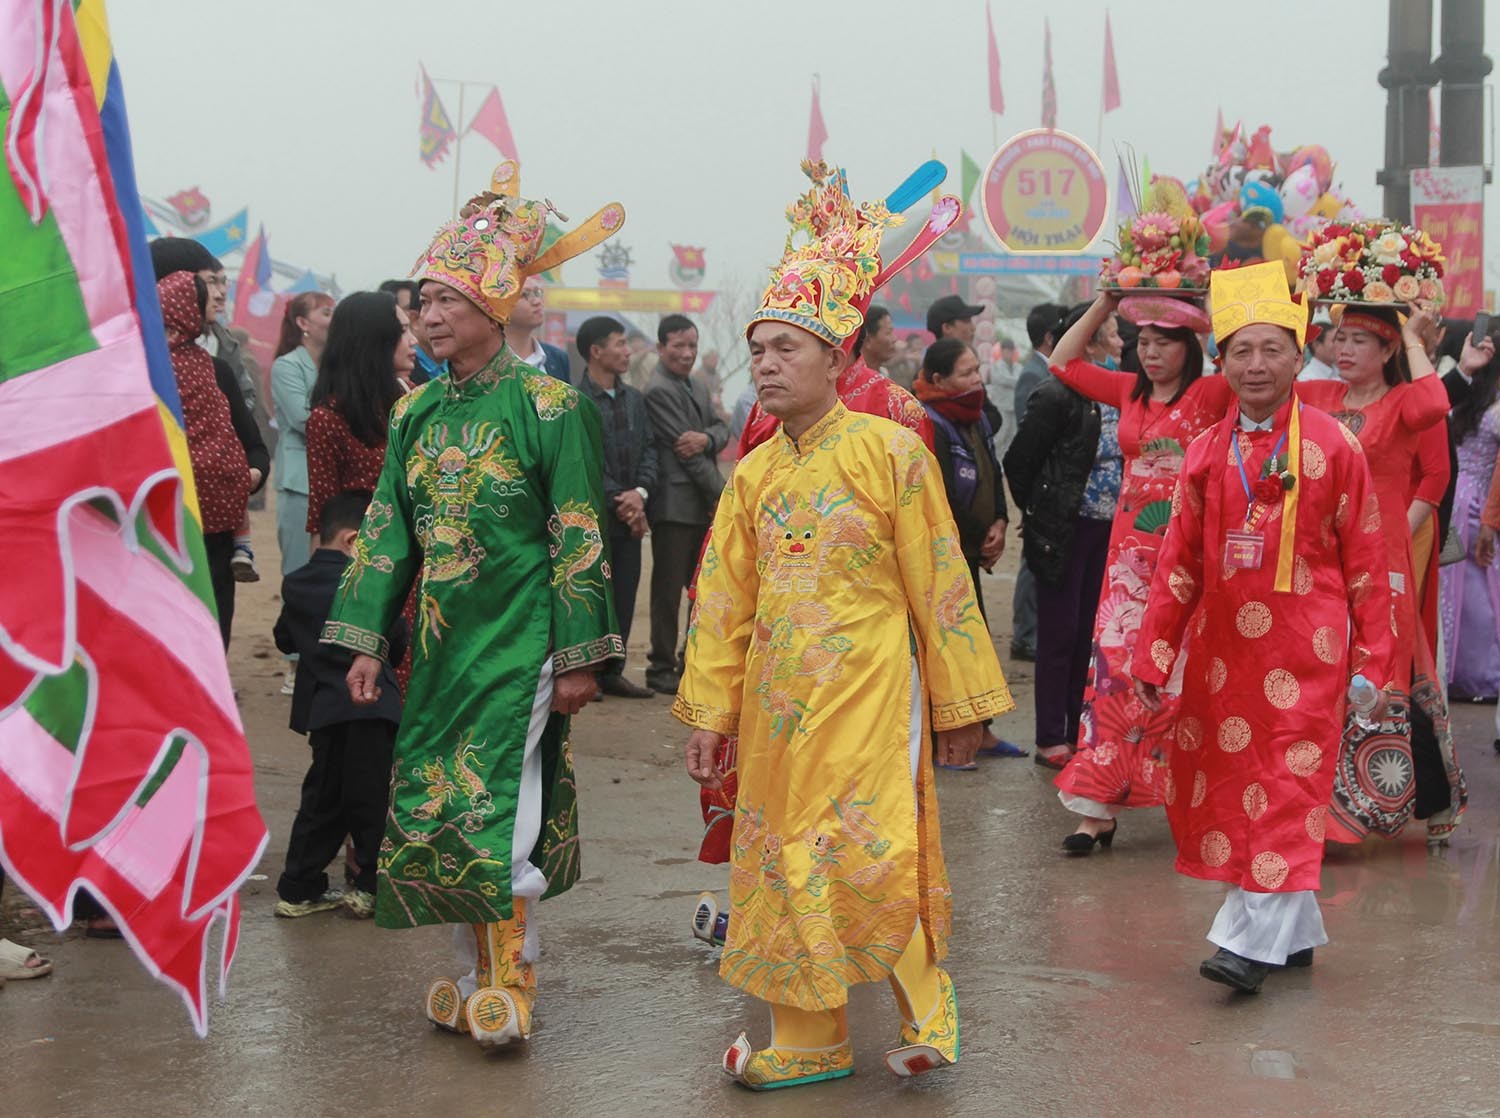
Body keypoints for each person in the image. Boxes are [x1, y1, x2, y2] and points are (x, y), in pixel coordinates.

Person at [678, 159, 1011, 1089]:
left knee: (861, 843)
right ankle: (813, 1038)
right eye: (760, 351)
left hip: (869, 687)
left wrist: (961, 706)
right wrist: (710, 713)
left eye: (789, 347)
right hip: (779, 706)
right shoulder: (753, 475)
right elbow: (723, 610)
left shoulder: (891, 451)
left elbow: (940, 584)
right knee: (782, 858)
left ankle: (923, 992)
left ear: (838, 356)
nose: (770, 365)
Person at [323, 161, 624, 1048]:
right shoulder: (415, 414)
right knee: (439, 796)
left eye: (445, 299)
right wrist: (372, 637)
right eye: (420, 302)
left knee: (499, 790)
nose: (427, 315)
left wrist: (579, 657)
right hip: (445, 646)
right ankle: (474, 969)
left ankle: (511, 973)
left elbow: (577, 531)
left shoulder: (551, 405)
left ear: (494, 305)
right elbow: (387, 532)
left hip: (524, 637)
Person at [1129, 260, 1395, 994]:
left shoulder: (1335, 448)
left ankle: (1247, 944)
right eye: (1240, 350)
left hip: (1308, 652)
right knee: (1234, 784)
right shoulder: (1207, 453)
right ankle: (1296, 927)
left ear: (1299, 350)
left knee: (1283, 782)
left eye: (1271, 348)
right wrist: (1154, 657)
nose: (1255, 365)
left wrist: (1376, 662)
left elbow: (1369, 561)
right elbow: (1177, 563)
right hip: (1222, 658)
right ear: (1220, 360)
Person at [1045, 294, 1233, 851]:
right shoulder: (1128, 390)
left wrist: (1208, 302)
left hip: (1191, 556)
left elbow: (1260, 361)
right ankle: (1096, 807)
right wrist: (1105, 302)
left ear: (1190, 347)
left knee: (1188, 678)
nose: (1149, 354)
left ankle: (1196, 801)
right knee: (1114, 674)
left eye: (1162, 343)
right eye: (1141, 343)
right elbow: (1062, 362)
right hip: (1127, 563)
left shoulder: (1213, 392)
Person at [1300, 303, 1466, 845]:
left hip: (1383, 562)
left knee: (1387, 676)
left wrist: (1415, 335)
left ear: (1388, 351)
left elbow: (1435, 406)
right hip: (1326, 559)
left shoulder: (1402, 405)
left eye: (1359, 342)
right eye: (1337, 339)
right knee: (1327, 671)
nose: (1342, 350)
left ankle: (1421, 797)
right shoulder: (1319, 397)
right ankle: (1330, 808)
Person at [273, 491, 406, 919]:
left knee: (321, 801)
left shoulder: (296, 583)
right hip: (370, 708)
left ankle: (298, 889)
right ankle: (368, 887)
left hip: (325, 715)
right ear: (353, 541)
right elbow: (398, 640)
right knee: (370, 801)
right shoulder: (367, 584)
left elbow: (284, 638)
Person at [1004, 304, 1122, 771]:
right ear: (1087, 341)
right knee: (1058, 634)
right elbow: (1019, 462)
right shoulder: (1055, 394)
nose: (1119, 343)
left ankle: (1080, 729)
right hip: (1065, 529)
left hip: (1107, 529)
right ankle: (1052, 735)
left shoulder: (1120, 390)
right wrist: (1037, 515)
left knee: (1090, 635)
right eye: (1110, 335)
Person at [912, 338, 1022, 762]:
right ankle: (948, 738)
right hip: (946, 556)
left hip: (973, 550)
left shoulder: (973, 415)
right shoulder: (929, 422)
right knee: (949, 646)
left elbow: (990, 471)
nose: (976, 379)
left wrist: (999, 521)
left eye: (977, 370)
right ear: (939, 379)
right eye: (966, 372)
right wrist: (974, 537)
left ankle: (981, 730)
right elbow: (938, 496)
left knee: (972, 641)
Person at [158, 271, 266, 648]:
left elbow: (253, 444)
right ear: (187, 307)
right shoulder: (147, 371)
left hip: (186, 520)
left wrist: (250, 472)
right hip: (181, 524)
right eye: (210, 289)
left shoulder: (215, 370)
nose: (220, 296)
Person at [576, 315, 658, 699]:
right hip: (591, 517)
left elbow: (649, 450)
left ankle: (614, 671)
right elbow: (585, 461)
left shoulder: (635, 400)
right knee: (591, 594)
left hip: (631, 515)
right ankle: (587, 671)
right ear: (596, 351)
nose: (627, 352)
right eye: (620, 344)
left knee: (626, 592)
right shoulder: (574, 402)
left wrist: (639, 494)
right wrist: (619, 497)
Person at [644, 313, 727, 695]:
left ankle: (687, 659)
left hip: (698, 505)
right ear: (661, 348)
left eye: (692, 345)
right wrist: (724, 495)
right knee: (666, 592)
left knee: (701, 588)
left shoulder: (696, 383)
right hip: (674, 505)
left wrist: (708, 438)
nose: (687, 353)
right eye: (678, 346)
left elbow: (723, 430)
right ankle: (660, 666)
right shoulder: (659, 389)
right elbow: (687, 454)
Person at [271, 290, 335, 693]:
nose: (333, 318)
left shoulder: (336, 364)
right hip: (299, 479)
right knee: (298, 568)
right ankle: (294, 662)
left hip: (333, 476)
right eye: (326, 312)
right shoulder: (286, 367)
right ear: (303, 323)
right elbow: (299, 418)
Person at [1439, 330, 1500, 699]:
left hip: (1451, 500)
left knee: (1453, 594)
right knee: (1480, 597)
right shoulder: (1494, 409)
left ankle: (1454, 672)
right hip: (1478, 504)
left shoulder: (1456, 401)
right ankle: (1482, 676)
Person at [1010, 302, 1068, 662]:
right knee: (1032, 560)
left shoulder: (1047, 372)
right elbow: (1026, 439)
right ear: (1050, 336)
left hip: (1051, 483)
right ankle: (1025, 634)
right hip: (1041, 483)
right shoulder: (1033, 376)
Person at [505, 274, 571, 382]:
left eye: (537, 293)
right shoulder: (487, 359)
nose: (537, 302)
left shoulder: (557, 358)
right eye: (525, 295)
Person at [1298, 309, 1339, 381]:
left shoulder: (1342, 371)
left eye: (1340, 340)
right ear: (1316, 345)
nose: (1339, 345)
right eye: (1333, 340)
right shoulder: (1307, 379)